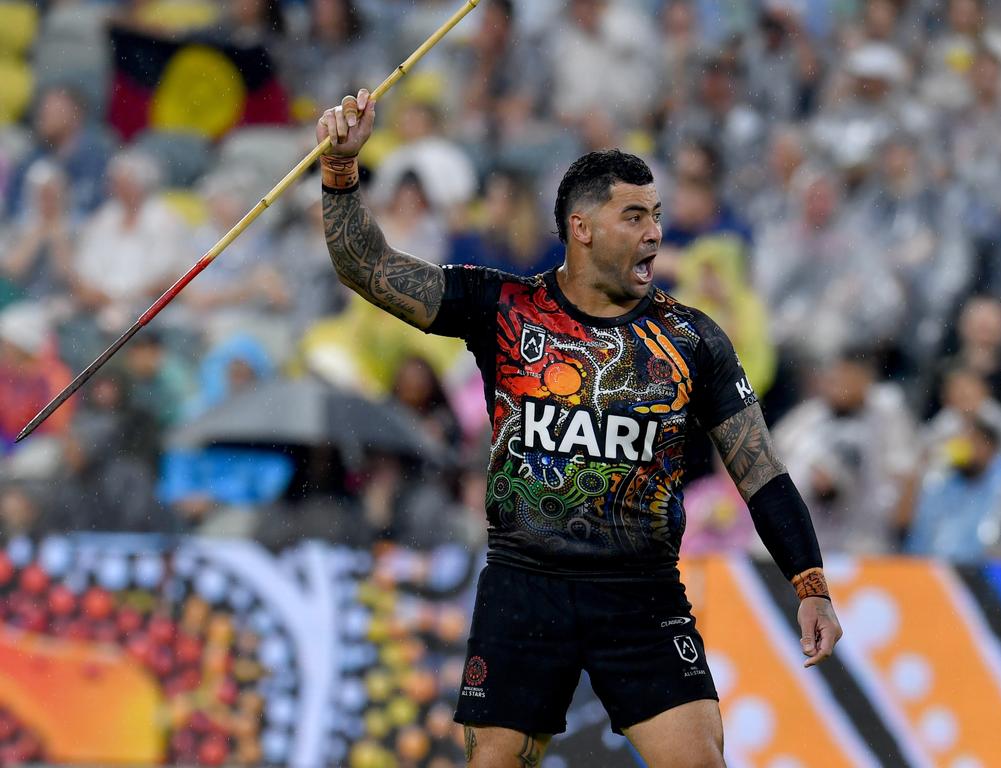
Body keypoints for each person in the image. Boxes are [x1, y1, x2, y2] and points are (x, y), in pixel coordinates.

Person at [315, 89, 842, 767]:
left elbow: (761, 471)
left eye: (655, 215)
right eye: (634, 216)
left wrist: (810, 584)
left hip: (641, 593)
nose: (655, 232)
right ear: (582, 227)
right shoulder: (502, 307)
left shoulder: (693, 338)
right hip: (523, 585)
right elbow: (367, 267)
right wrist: (341, 171)